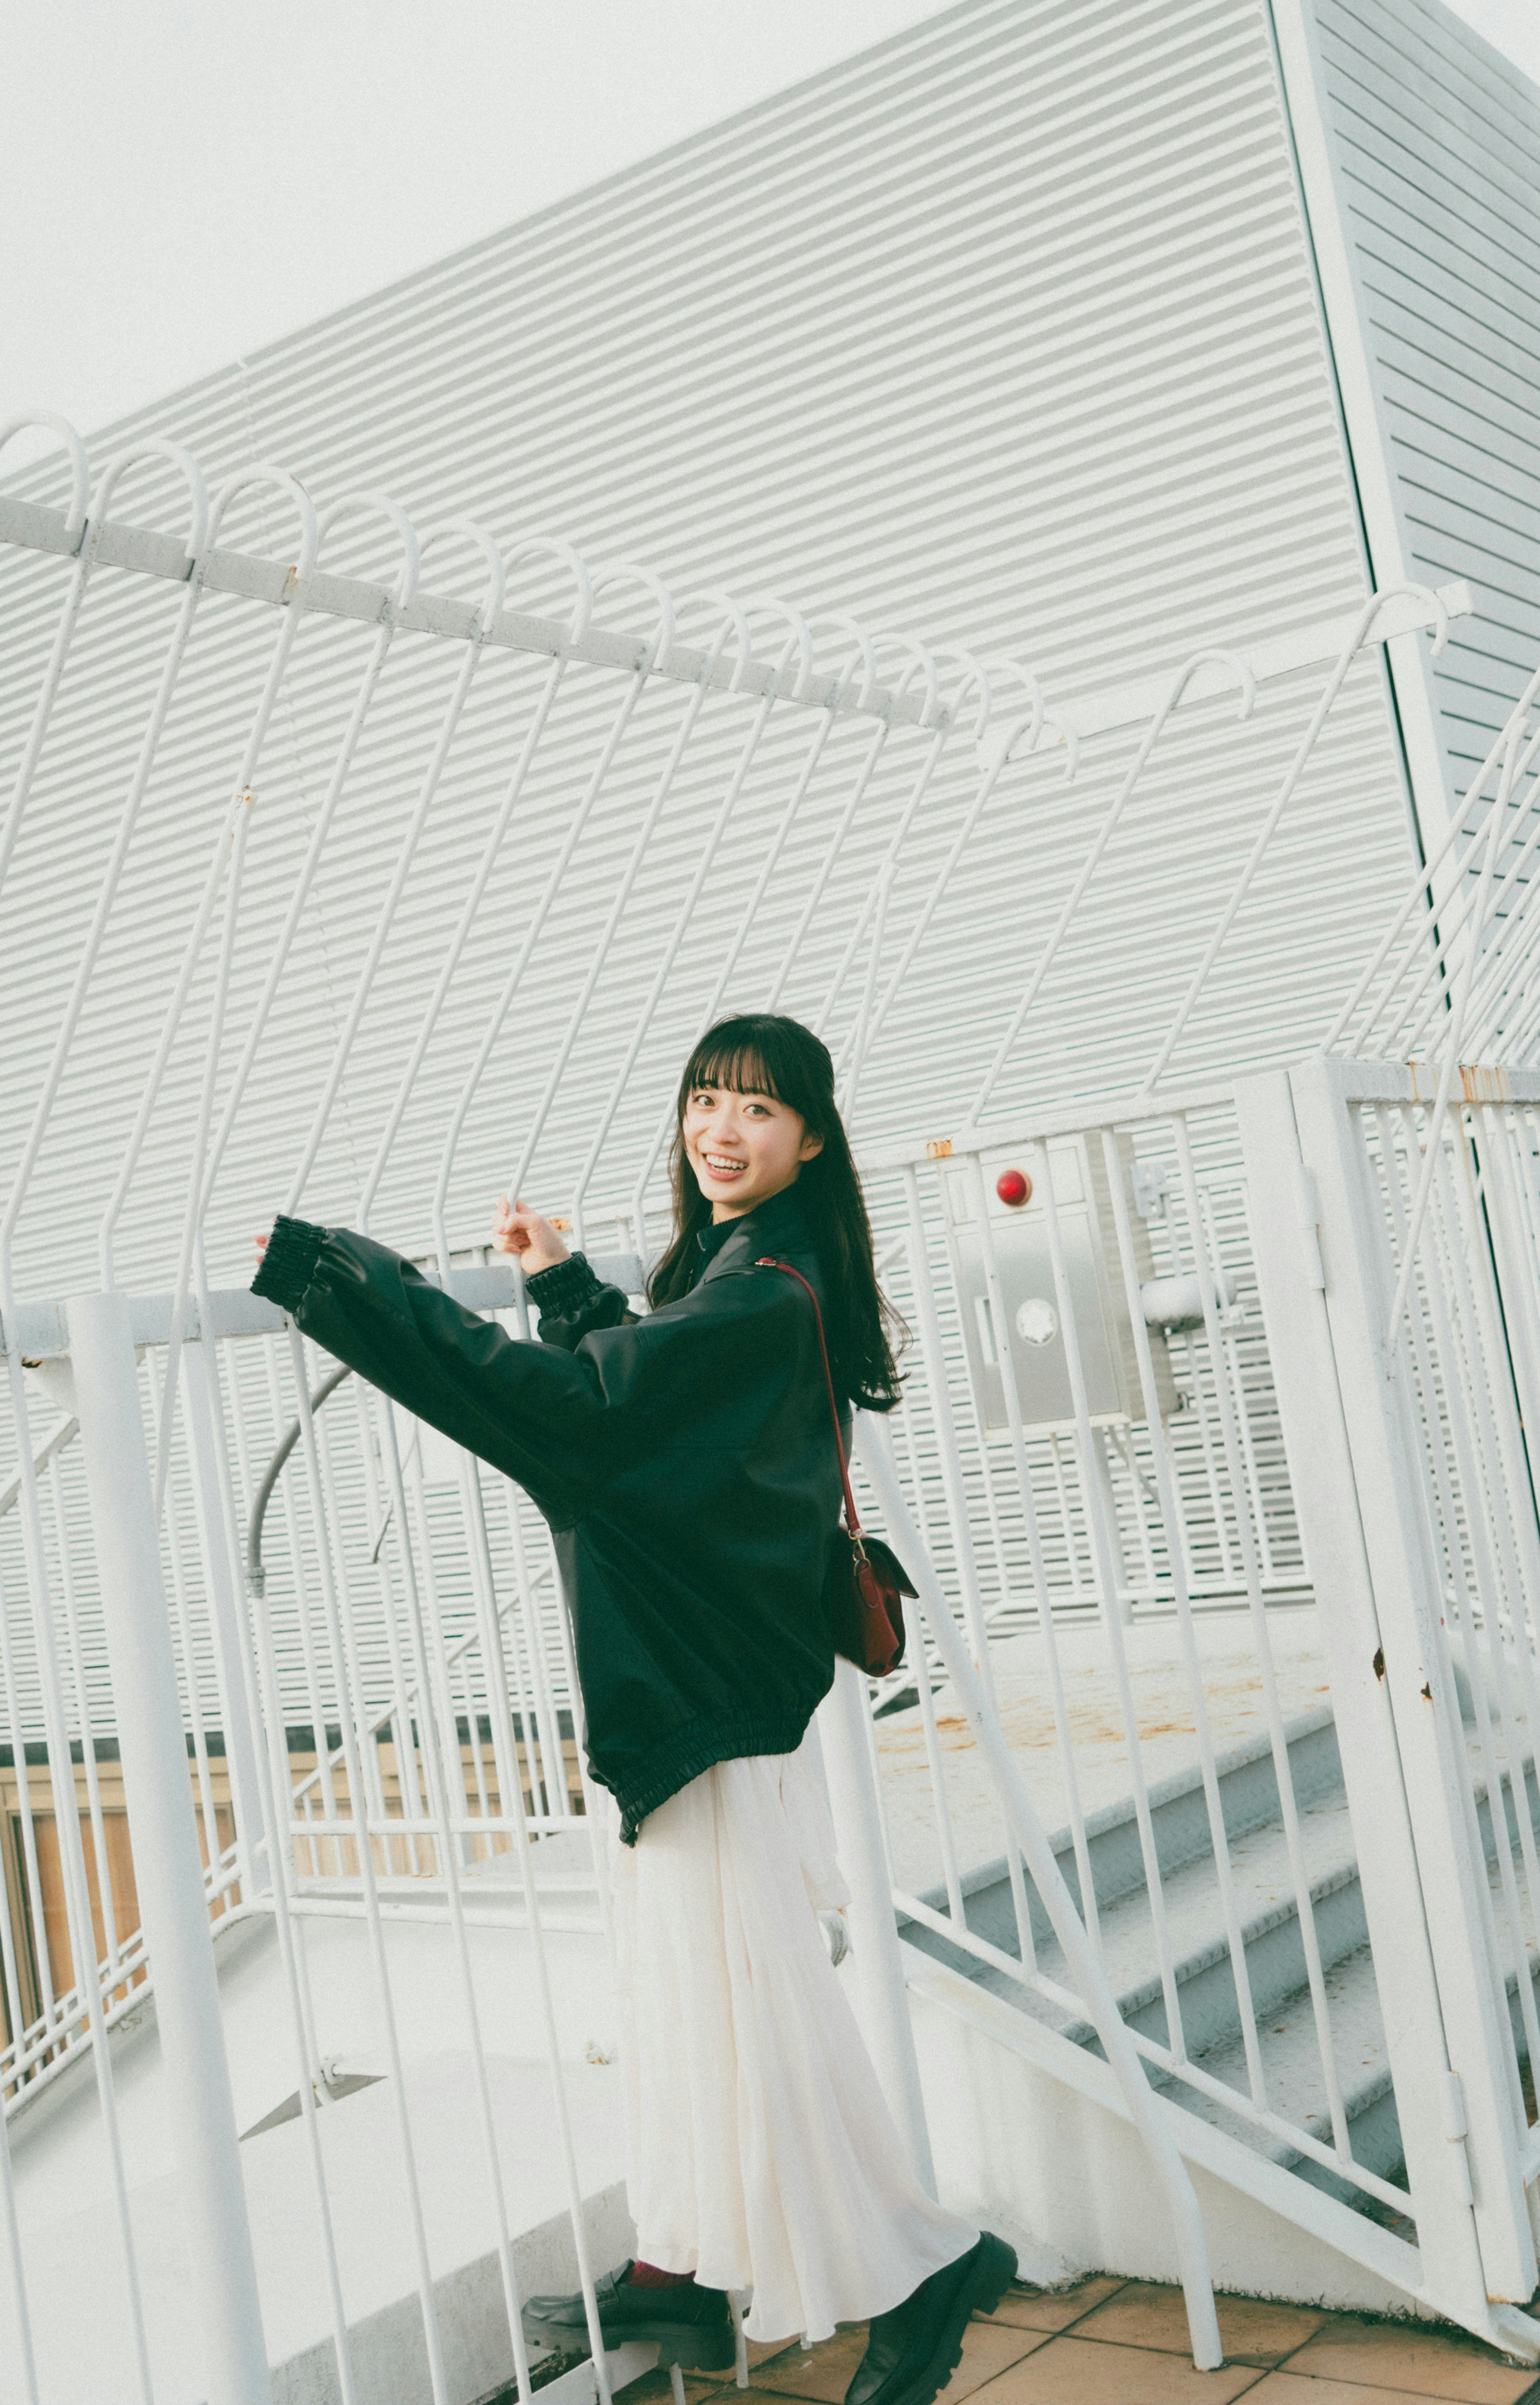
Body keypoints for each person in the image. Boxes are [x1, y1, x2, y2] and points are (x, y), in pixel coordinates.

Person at [251, 1011, 1015, 2405]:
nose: (722, 1131)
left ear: (813, 1138)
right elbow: (666, 1414)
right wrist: (568, 1290)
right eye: (705, 1101)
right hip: (714, 1689)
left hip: (702, 1699)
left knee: (749, 2001)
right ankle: (680, 2272)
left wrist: (339, 1284)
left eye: (759, 1112)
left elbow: (591, 1423)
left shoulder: (765, 1286)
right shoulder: (763, 1274)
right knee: (702, 2000)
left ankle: (922, 2268)